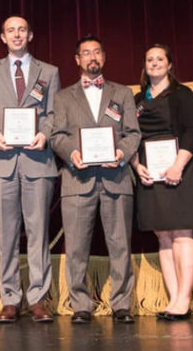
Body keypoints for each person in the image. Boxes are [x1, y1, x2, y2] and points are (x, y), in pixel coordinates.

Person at [50, 35, 141, 324]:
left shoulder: (123, 92)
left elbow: (133, 134)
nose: (92, 57)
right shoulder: (63, 96)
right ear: (77, 60)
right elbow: (56, 135)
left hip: (116, 177)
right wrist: (72, 153)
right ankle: (80, 305)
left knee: (120, 245)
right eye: (86, 53)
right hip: (77, 178)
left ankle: (122, 304)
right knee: (76, 246)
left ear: (104, 57)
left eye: (97, 52)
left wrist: (121, 153)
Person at [0, 16, 61, 323]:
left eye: (22, 29)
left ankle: (38, 299)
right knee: (7, 234)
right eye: (11, 30)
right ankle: (10, 299)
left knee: (38, 233)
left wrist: (46, 133)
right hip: (1, 163)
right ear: (2, 37)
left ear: (30, 34)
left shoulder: (49, 72)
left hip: (38, 162)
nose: (16, 34)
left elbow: (54, 113)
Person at [134, 44, 193, 321]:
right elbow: (131, 137)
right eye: (150, 59)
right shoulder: (137, 100)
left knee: (182, 233)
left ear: (170, 65)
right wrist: (136, 165)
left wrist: (177, 166)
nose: (154, 63)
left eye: (160, 59)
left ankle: (184, 299)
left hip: (181, 171)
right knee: (163, 236)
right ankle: (173, 299)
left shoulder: (182, 95)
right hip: (151, 174)